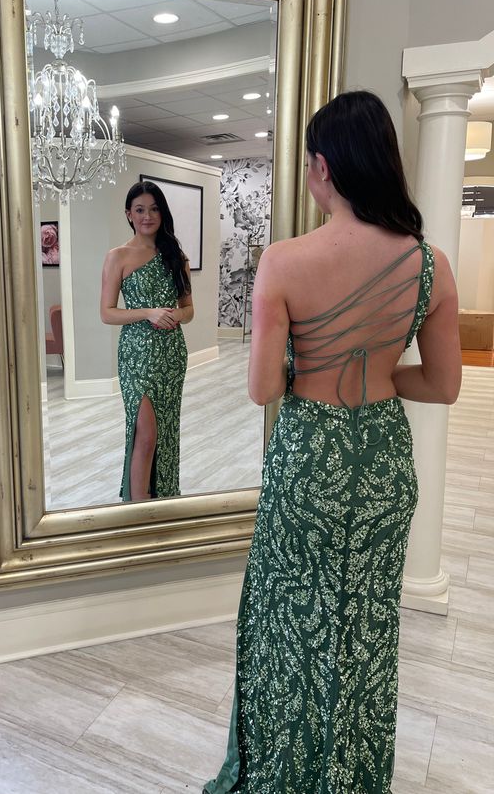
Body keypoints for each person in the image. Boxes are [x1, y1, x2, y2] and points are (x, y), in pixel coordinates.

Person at [204, 91, 462, 793]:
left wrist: (303, 363)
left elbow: (262, 389)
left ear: (322, 166)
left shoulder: (284, 261)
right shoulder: (433, 264)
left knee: (290, 624)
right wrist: (380, 370)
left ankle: (283, 774)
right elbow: (443, 385)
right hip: (380, 461)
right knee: (365, 633)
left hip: (309, 457)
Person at [100, 180, 194, 502]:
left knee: (165, 431)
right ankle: (137, 510)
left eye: (154, 209)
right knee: (146, 432)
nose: (147, 216)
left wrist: (173, 316)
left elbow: (189, 310)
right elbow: (107, 313)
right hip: (136, 353)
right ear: (129, 214)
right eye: (139, 210)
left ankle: (161, 498)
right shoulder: (118, 256)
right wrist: (148, 313)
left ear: (162, 212)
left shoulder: (176, 256)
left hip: (171, 353)